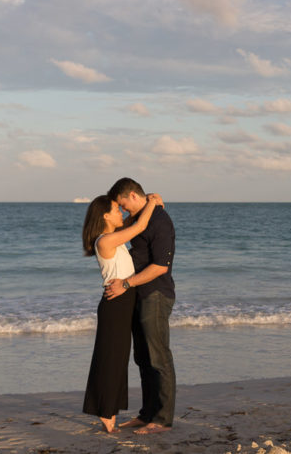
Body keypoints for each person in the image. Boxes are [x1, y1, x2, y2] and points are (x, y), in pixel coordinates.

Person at [81, 192, 163, 433]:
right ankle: (105, 412)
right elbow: (140, 225)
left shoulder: (112, 236)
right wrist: (152, 203)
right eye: (118, 209)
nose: (122, 213)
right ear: (106, 215)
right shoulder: (104, 241)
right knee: (110, 359)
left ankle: (108, 410)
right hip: (115, 305)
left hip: (124, 302)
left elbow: (133, 221)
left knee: (118, 359)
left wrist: (146, 201)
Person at [105, 177, 176, 435]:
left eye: (124, 205)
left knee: (159, 358)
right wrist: (153, 198)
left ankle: (163, 419)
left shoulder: (160, 221)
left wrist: (125, 284)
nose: (123, 211)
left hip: (156, 295)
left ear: (134, 196)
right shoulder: (140, 217)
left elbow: (160, 266)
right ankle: (146, 415)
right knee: (143, 358)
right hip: (138, 295)